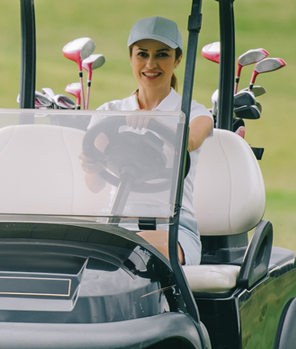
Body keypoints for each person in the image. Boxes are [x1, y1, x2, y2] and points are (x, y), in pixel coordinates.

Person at [78, 15, 214, 264]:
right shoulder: (109, 112)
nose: (151, 64)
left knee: (144, 254)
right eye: (142, 54)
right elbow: (94, 184)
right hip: (116, 223)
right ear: (131, 58)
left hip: (172, 229)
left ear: (178, 59)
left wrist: (154, 123)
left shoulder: (195, 113)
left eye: (162, 54)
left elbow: (191, 141)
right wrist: (92, 164)